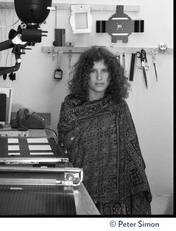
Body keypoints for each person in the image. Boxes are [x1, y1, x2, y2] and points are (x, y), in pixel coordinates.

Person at [57, 46, 152, 215]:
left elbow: (132, 153)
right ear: (84, 75)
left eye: (104, 71)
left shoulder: (119, 107)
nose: (99, 77)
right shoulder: (69, 108)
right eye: (93, 71)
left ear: (111, 75)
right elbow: (63, 151)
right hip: (78, 191)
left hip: (116, 200)